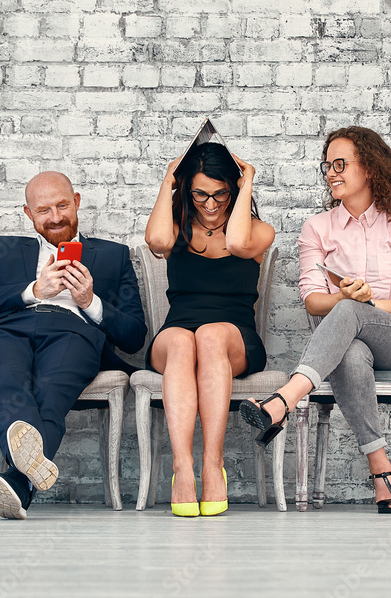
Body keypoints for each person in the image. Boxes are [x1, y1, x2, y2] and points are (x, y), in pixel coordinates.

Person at [240, 126, 391, 514]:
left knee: (349, 310)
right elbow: (313, 302)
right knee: (349, 351)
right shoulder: (318, 228)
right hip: (346, 344)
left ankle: (284, 400)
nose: (331, 172)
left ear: (370, 168)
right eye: (327, 165)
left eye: (341, 164)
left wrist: (370, 303)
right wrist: (346, 297)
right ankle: (383, 474)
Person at [0, 172, 146, 520]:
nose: (56, 216)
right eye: (44, 210)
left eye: (62, 205)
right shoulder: (2, 247)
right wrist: (34, 290)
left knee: (52, 392)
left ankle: (17, 478)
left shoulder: (113, 255)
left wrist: (90, 302)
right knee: (7, 383)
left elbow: (135, 335)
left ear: (76, 201)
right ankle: (21, 481)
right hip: (6, 329)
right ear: (28, 214)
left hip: (74, 332)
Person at [144, 141, 275, 517]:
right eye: (200, 193)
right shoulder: (175, 230)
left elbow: (237, 242)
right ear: (187, 190)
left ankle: (211, 464)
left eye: (221, 193)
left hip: (233, 338)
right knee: (187, 340)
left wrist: (247, 179)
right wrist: (168, 181)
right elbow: (156, 241)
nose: (211, 203)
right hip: (177, 333)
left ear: (232, 191)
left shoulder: (259, 233)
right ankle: (182, 467)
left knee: (211, 334)